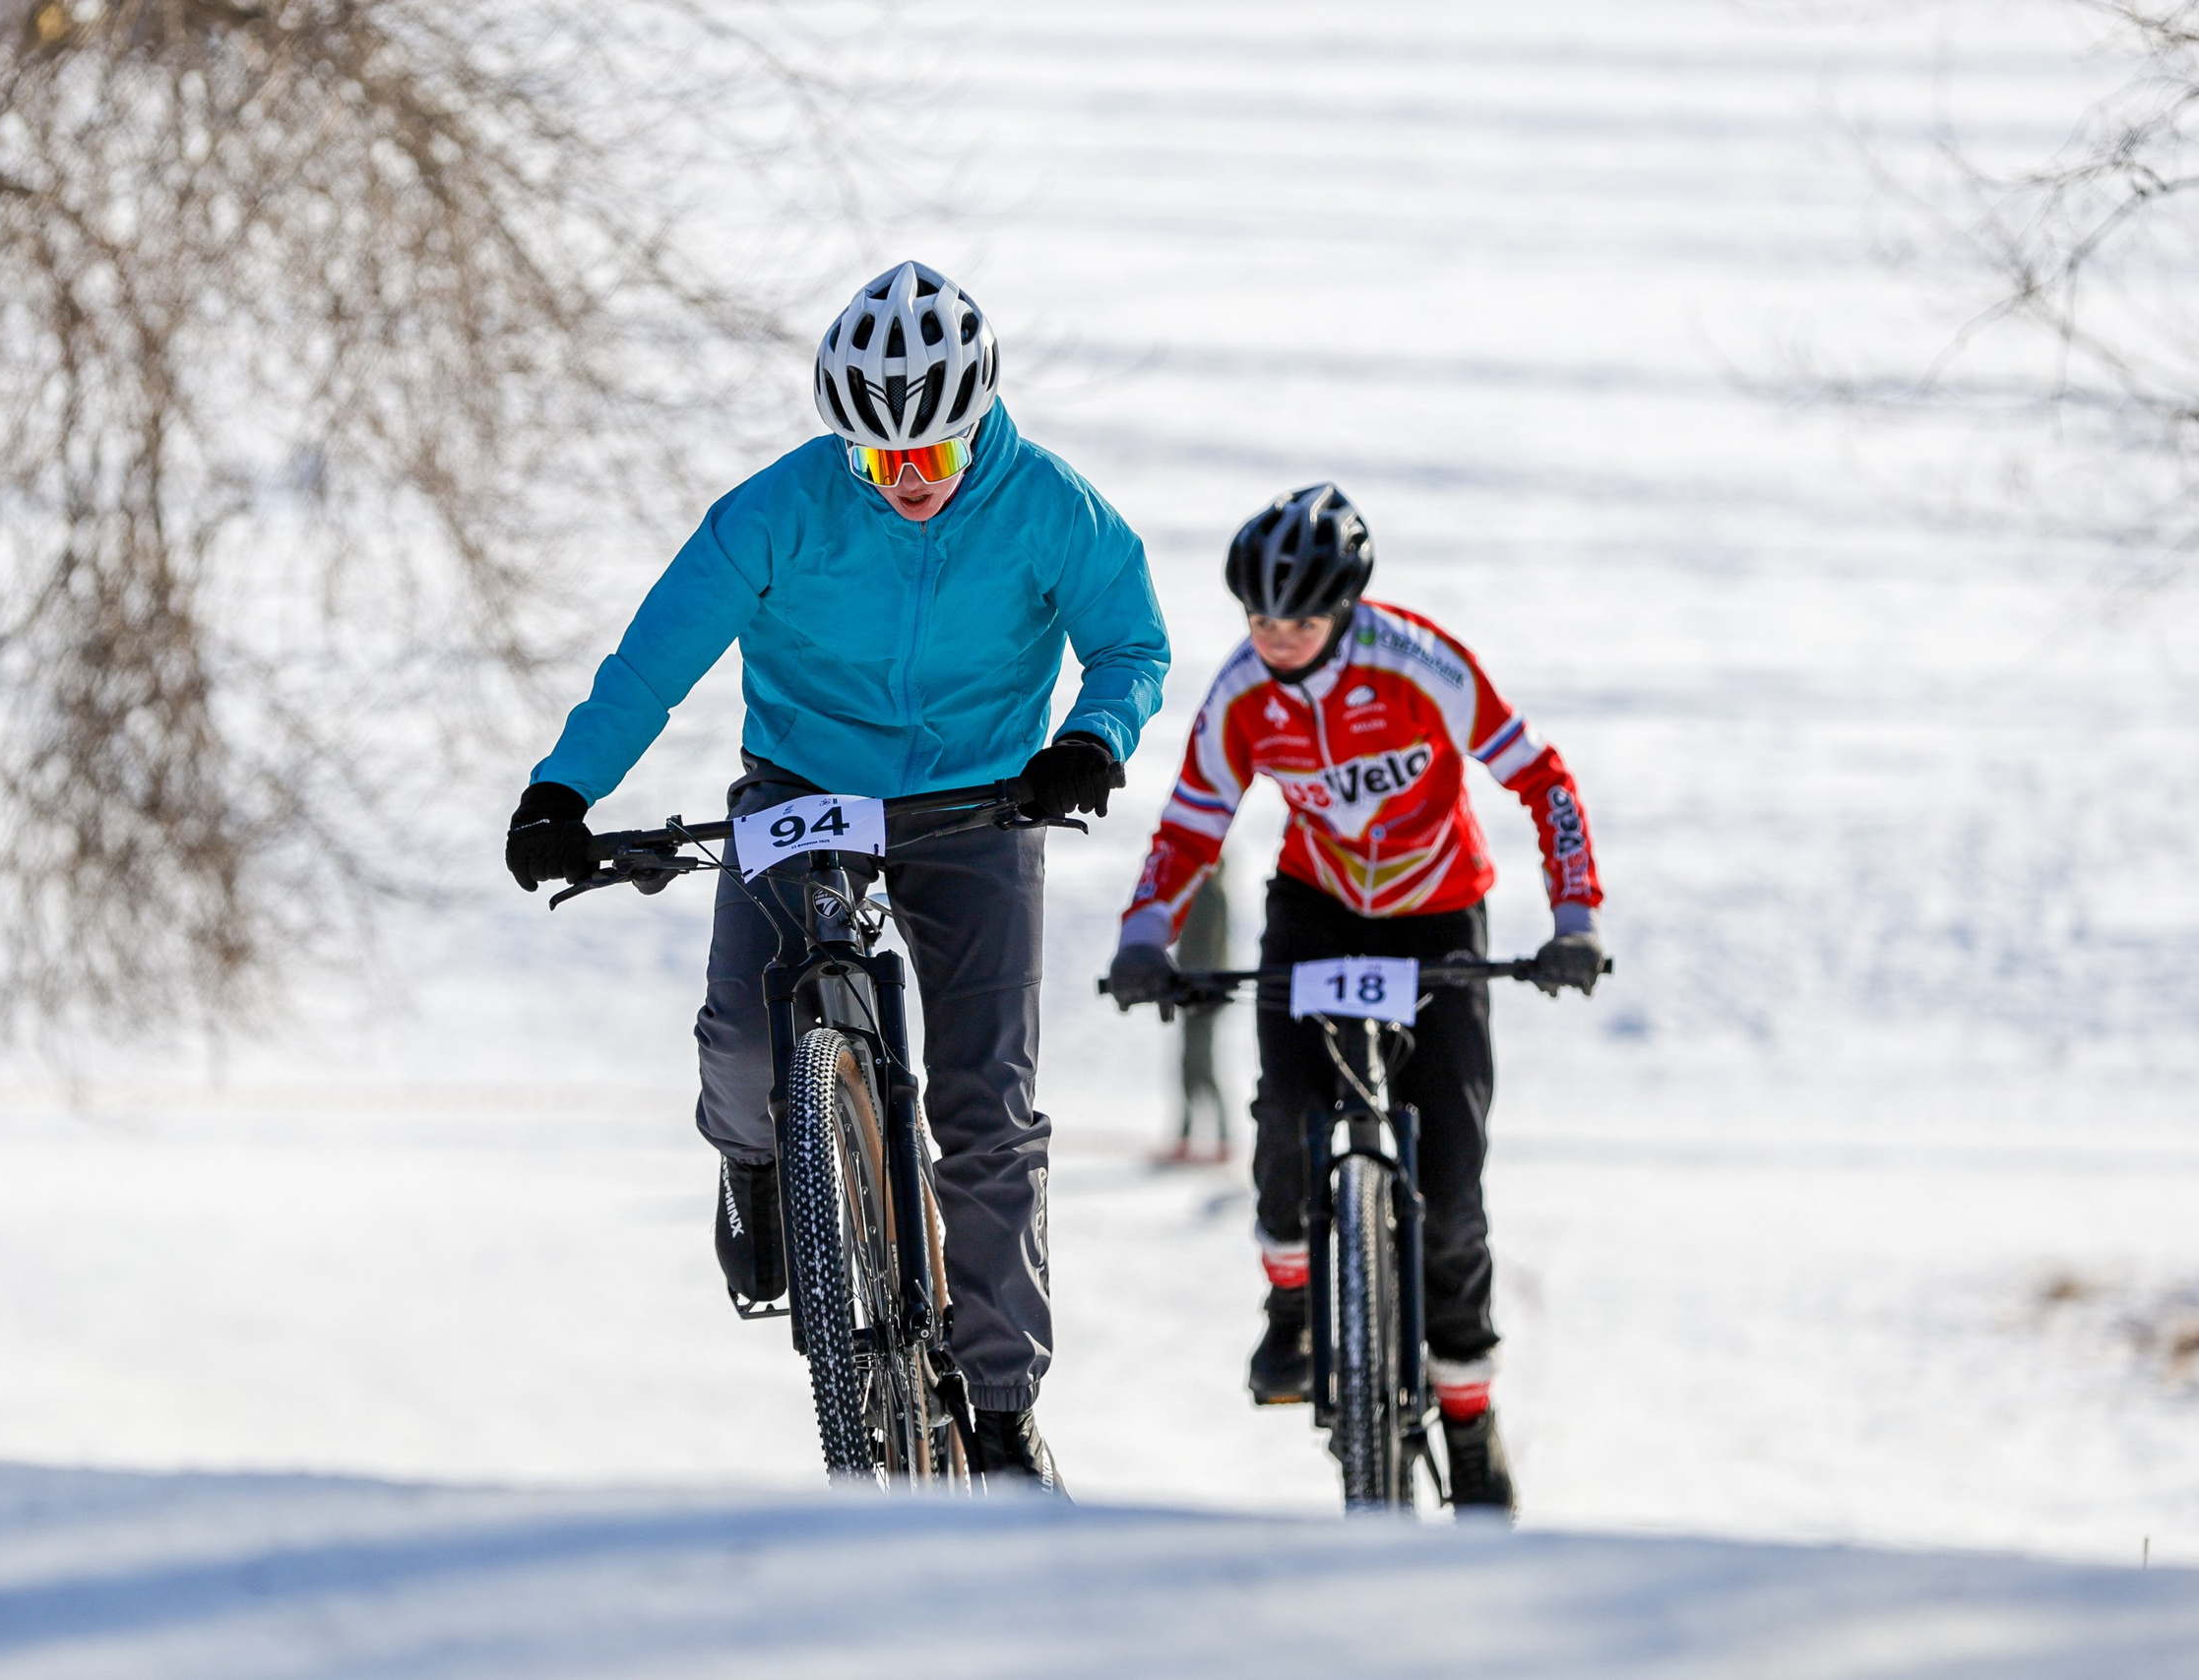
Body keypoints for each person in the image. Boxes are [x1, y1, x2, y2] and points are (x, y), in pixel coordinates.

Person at [505, 262, 1169, 1490]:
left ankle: (1004, 1405)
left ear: (977, 425)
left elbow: (1129, 643)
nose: (908, 481)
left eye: (931, 455)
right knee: (743, 1038)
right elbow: (652, 662)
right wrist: (564, 792)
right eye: (876, 462)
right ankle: (761, 1162)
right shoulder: (775, 513)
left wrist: (1090, 741)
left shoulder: (1049, 509)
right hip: (804, 790)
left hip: (978, 801)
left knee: (986, 1107)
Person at [1101, 483, 1604, 1515]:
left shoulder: (1421, 664)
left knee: (1455, 1196)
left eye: (1298, 619)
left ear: (1345, 609)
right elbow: (1191, 823)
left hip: (1437, 914)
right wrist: (1143, 938)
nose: (1276, 638)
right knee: (1285, 1118)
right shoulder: (1243, 691)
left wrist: (1574, 919)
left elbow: (1541, 779)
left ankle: (1468, 1418)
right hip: (1318, 909)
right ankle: (1291, 1308)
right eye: (1257, 619)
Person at [1151, 862, 1231, 1165]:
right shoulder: (1201, 892)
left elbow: (1212, 946)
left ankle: (1220, 1138)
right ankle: (1188, 1135)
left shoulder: (1210, 894)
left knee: (1201, 1066)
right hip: (1194, 990)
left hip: (1204, 993)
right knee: (1190, 1065)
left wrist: (1202, 986)